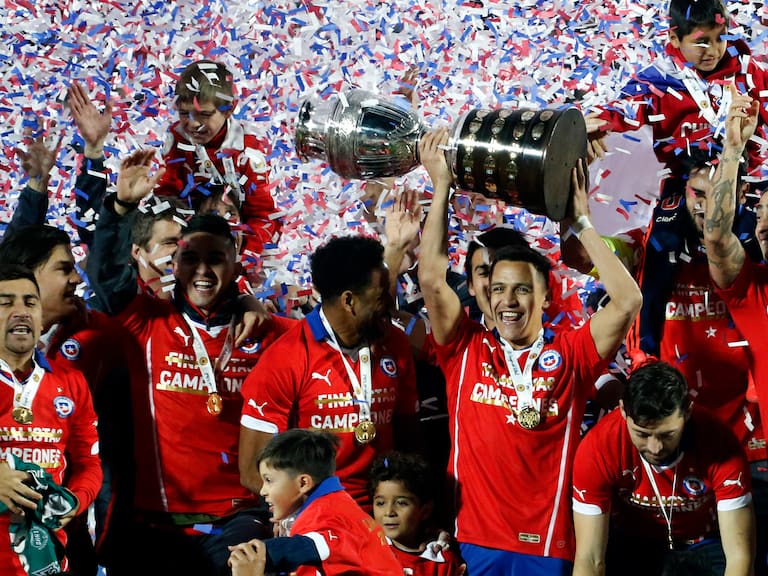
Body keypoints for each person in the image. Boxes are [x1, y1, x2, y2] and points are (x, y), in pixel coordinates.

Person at [416, 127, 642, 574]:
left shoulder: (572, 354)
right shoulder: (464, 349)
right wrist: (441, 184)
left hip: (548, 545)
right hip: (473, 540)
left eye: (521, 290)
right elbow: (431, 279)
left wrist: (582, 221)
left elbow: (628, 300)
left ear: (545, 297)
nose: (507, 301)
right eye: (497, 289)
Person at [86, 149, 295, 575]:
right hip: (156, 525)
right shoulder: (145, 322)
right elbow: (106, 275)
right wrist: (120, 207)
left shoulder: (271, 333)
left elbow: (338, 327)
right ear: (174, 264)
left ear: (235, 262)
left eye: (215, 258)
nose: (203, 270)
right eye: (191, 259)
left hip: (238, 521)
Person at [239, 234, 421, 511]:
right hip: (318, 512)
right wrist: (311, 517)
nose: (390, 304)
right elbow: (253, 471)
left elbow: (409, 440)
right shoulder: (285, 357)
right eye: (381, 296)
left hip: (384, 511)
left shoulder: (394, 343)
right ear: (349, 301)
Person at [572, 361, 754, 576]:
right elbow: (590, 559)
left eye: (667, 434)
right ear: (622, 411)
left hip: (706, 542)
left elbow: (739, 556)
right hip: (633, 545)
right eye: (642, 433)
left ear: (687, 412)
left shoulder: (720, 442)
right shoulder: (598, 447)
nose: (655, 448)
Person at [586, 0, 768, 194]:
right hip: (683, 190)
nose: (714, 51)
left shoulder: (748, 72)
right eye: (701, 42)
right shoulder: (658, 80)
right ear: (674, 38)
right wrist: (596, 122)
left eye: (720, 38)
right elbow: (623, 109)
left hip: (744, 185)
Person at [0, 264, 102, 575]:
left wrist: (73, 502)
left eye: (30, 302)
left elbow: (88, 462)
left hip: (46, 559)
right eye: (6, 302)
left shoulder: (70, 382)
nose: (21, 311)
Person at [154, 58, 282, 272]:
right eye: (185, 113)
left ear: (228, 109)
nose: (193, 124)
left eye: (205, 114)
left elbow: (263, 215)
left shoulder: (248, 150)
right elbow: (168, 197)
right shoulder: (177, 138)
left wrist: (243, 260)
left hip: (242, 249)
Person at [229, 428, 403, 575]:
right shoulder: (335, 502)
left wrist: (255, 553)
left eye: (269, 480)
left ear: (303, 483)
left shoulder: (328, 514)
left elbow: (305, 546)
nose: (262, 491)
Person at [369, 451, 465, 575]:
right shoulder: (367, 553)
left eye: (401, 503)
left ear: (425, 510)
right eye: (381, 503)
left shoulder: (442, 562)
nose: (389, 512)